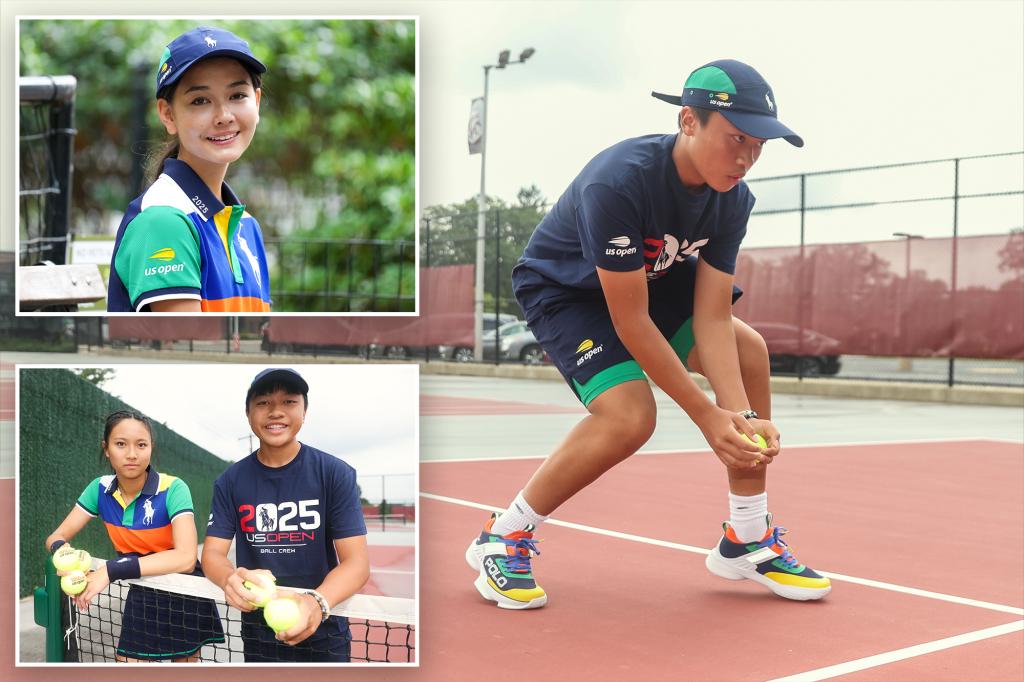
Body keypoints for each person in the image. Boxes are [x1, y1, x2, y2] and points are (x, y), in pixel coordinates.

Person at [466, 59, 831, 609]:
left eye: (759, 145)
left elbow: (711, 316)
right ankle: (504, 535)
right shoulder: (618, 182)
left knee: (747, 350)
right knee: (630, 415)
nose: (746, 157)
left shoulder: (734, 199)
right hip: (568, 292)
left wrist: (742, 424)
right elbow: (630, 320)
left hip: (655, 285)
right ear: (689, 121)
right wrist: (709, 417)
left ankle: (747, 539)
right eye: (736, 138)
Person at [201, 368, 370, 662]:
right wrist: (230, 578)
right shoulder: (229, 481)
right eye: (264, 402)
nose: (276, 412)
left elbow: (357, 564)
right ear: (248, 413)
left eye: (289, 402)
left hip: (326, 632)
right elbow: (212, 555)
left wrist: (316, 602)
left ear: (305, 411)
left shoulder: (335, 473)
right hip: (258, 633)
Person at [107, 26, 271, 312]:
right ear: (168, 114)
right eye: (200, 100)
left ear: (256, 101)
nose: (224, 116)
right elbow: (189, 349)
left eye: (237, 96)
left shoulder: (246, 225)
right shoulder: (163, 219)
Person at [44, 410, 225, 662]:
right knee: (129, 664)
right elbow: (56, 536)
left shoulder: (173, 488)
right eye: (120, 444)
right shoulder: (98, 490)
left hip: (185, 589)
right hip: (142, 585)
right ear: (106, 449)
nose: (132, 454)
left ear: (151, 448)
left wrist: (109, 570)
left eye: (141, 444)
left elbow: (185, 558)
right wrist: (66, 558)